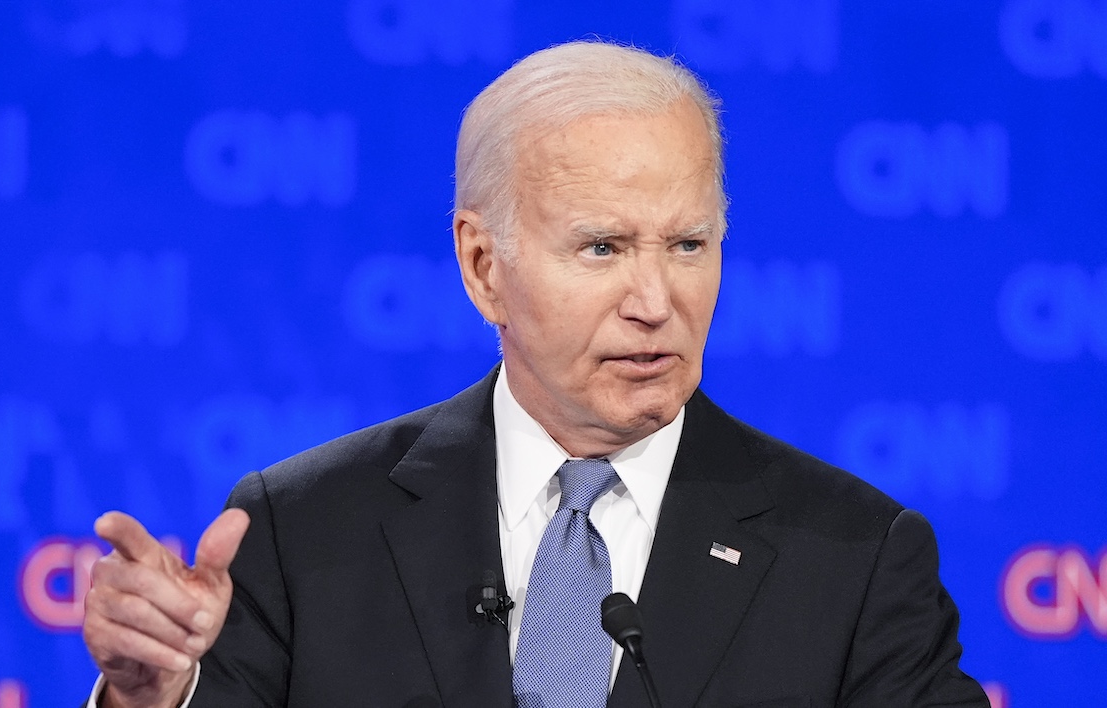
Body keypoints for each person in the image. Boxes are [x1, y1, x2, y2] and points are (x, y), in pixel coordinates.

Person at [82, 40, 990, 707]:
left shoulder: (856, 557)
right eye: (602, 247)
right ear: (484, 268)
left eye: (687, 245)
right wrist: (148, 698)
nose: (654, 298)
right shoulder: (305, 529)